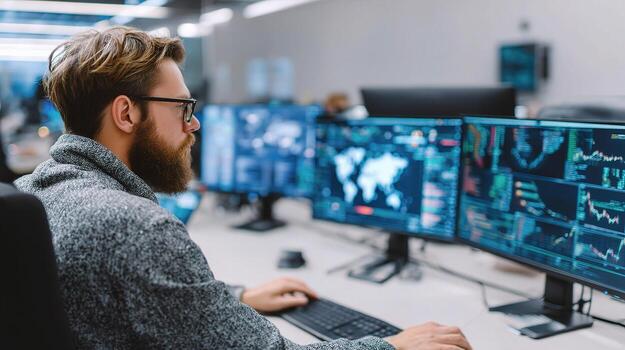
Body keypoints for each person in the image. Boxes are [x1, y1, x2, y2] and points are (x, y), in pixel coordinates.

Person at [15, 26, 472, 350]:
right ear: (126, 114)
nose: (193, 123)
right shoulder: (134, 228)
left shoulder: (32, 192)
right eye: (182, 106)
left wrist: (232, 299)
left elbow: (125, 296)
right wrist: (393, 346)